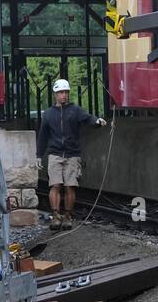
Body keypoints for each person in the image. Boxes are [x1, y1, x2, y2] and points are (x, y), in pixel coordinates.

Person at [35, 78, 107, 231]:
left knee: (70, 187)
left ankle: (68, 215)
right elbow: (42, 136)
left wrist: (97, 121)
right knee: (55, 185)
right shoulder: (48, 114)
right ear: (55, 94)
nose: (64, 95)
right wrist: (39, 155)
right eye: (61, 92)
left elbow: (88, 118)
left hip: (72, 154)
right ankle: (55, 216)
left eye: (66, 92)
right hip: (54, 154)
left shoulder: (75, 110)